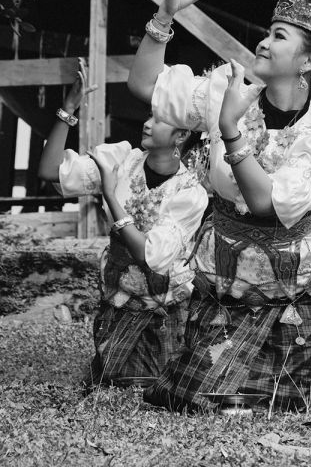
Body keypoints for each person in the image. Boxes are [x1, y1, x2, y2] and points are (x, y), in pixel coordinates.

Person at [129, 0, 311, 412]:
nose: (263, 42)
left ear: (308, 62)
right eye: (267, 32)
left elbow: (266, 204)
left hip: (288, 284)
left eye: (279, 36)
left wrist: (231, 130)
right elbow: (145, 88)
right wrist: (163, 17)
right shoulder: (226, 86)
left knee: (272, 398)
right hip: (221, 270)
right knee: (192, 396)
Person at [38, 59, 206, 385]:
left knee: (150, 388)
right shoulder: (120, 159)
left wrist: (111, 195)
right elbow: (49, 171)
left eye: (158, 120)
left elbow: (149, 255)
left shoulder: (189, 194)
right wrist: (68, 109)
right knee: (112, 382)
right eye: (149, 115)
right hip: (117, 303)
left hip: (165, 310)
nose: (146, 123)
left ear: (181, 135)